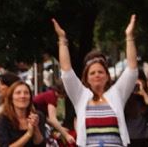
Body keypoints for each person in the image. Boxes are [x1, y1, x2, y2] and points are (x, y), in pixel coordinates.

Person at [52, 15, 138, 146]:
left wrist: (129, 37)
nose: (97, 75)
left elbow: (132, 70)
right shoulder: (81, 96)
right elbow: (67, 72)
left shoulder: (117, 94)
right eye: (92, 73)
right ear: (86, 78)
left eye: (100, 72)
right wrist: (62, 40)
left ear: (107, 76)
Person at [0, 82, 44, 147]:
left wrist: (36, 127)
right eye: (18, 93)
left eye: (26, 93)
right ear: (11, 98)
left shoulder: (38, 116)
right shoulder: (3, 120)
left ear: (30, 97)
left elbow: (41, 144)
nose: (22, 96)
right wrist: (28, 134)